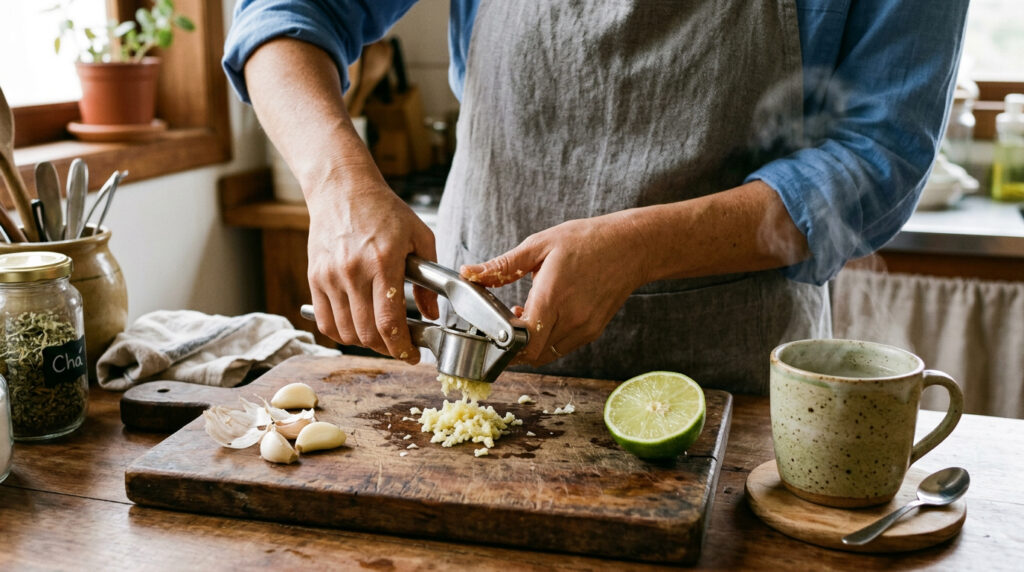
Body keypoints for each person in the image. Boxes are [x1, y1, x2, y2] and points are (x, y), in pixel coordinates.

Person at [223, 1, 969, 394]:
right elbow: (286, 12)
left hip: (729, 391)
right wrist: (339, 183)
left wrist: (644, 246)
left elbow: (881, 157)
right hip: (479, 380)